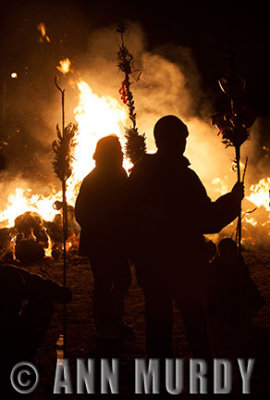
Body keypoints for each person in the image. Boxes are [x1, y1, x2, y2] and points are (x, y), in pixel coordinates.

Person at [128, 115, 244, 358]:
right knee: (196, 323)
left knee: (158, 326)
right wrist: (232, 201)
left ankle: (158, 379)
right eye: (182, 139)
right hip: (183, 263)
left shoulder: (139, 173)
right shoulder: (183, 177)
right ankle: (208, 377)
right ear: (173, 141)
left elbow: (128, 216)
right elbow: (207, 220)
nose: (184, 144)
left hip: (151, 264)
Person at [75, 135, 132, 341]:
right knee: (104, 282)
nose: (121, 154)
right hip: (101, 242)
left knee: (122, 280)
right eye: (117, 151)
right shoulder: (94, 180)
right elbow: (81, 213)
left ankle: (114, 320)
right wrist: (102, 225)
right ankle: (105, 326)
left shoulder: (119, 174)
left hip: (116, 241)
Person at [0, 263, 72, 393]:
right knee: (43, 304)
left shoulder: (10, 274)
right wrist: (62, 292)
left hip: (7, 333)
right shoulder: (10, 274)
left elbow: (44, 288)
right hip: (8, 337)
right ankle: (21, 355)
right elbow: (50, 290)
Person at [207, 238, 265, 357]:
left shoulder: (238, 267)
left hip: (238, 304)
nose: (228, 256)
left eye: (231, 253)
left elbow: (249, 287)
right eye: (226, 253)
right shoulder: (214, 269)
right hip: (222, 307)